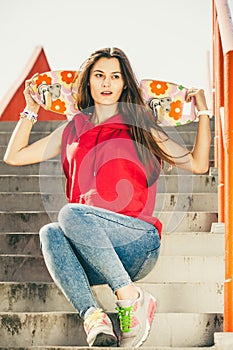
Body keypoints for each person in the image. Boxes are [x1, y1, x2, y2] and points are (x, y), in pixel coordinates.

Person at [4, 47, 211, 348]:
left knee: (69, 214)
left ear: (124, 84)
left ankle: (130, 298)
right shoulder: (72, 128)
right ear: (87, 81)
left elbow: (197, 164)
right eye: (99, 75)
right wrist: (30, 107)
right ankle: (94, 318)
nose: (106, 83)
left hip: (136, 243)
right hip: (92, 249)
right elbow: (14, 156)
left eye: (115, 76)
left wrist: (203, 112)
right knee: (50, 232)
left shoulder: (142, 126)